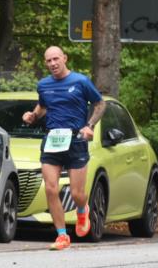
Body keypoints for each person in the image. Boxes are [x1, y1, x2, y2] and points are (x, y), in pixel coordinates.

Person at [22, 46, 105, 251]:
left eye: (56, 59)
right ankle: (61, 236)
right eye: (48, 60)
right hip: (52, 140)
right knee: (51, 188)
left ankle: (81, 209)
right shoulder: (43, 85)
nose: (53, 64)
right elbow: (42, 107)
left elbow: (100, 104)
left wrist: (90, 126)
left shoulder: (80, 81)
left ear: (64, 58)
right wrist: (32, 116)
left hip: (76, 140)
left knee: (77, 193)